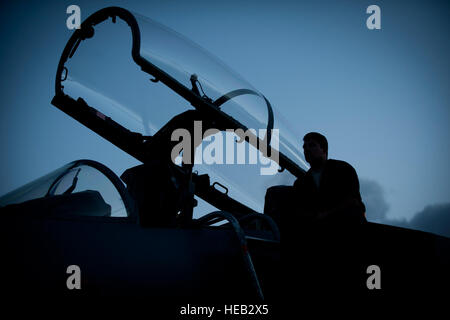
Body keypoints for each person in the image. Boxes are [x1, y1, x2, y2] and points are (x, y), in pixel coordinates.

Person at [293, 132, 366, 226]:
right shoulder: (301, 183)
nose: (307, 149)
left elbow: (352, 201)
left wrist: (324, 215)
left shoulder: (343, 169)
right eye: (304, 147)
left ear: (324, 150)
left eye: (312, 145)